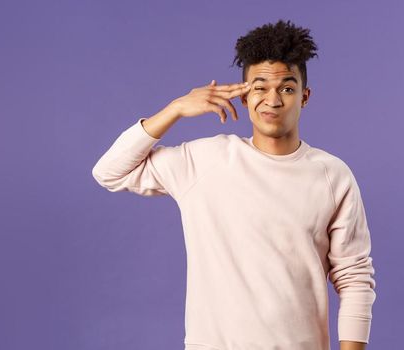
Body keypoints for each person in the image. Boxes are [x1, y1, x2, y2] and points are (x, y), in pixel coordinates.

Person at [91, 20, 376, 350]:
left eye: (286, 88)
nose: (272, 100)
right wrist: (175, 110)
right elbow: (109, 172)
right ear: (244, 96)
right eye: (259, 88)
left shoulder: (332, 175)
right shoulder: (204, 161)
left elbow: (354, 277)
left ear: (305, 96)